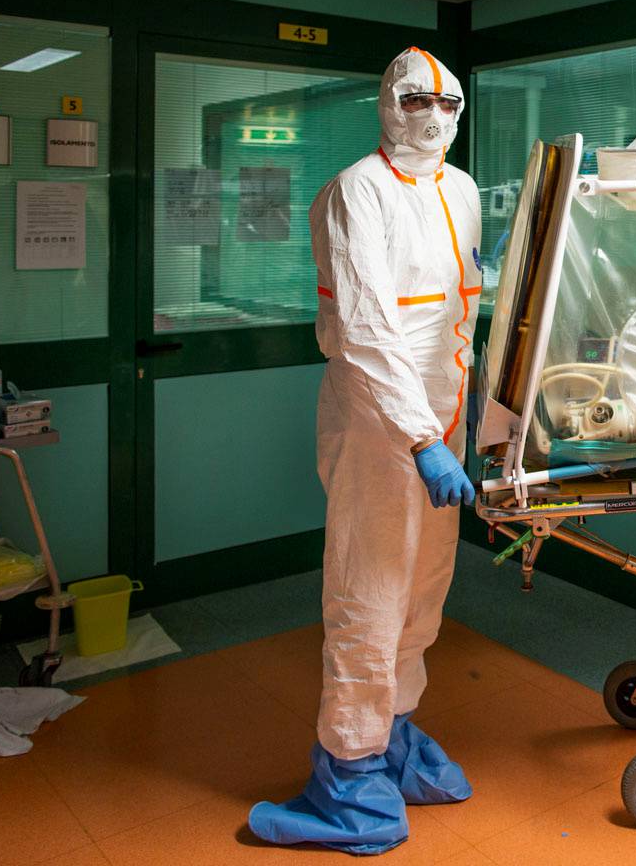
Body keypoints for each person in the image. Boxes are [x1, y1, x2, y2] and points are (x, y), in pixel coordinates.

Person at [248, 47, 482, 855]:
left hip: (444, 427)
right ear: (387, 104)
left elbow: (463, 316)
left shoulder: (462, 191)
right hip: (382, 431)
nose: (434, 117)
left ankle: (395, 742)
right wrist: (420, 438)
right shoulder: (358, 191)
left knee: (422, 595)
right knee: (368, 597)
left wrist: (464, 424)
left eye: (448, 103)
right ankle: (351, 783)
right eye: (416, 100)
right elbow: (367, 330)